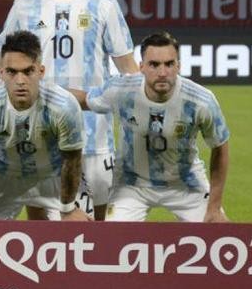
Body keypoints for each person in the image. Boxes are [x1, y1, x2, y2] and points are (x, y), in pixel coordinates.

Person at [0, 0, 137, 220]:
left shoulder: (104, 5)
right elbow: (3, 62)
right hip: (39, 135)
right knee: (42, 225)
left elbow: (129, 72)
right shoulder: (25, 6)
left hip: (95, 135)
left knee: (96, 226)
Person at [72, 31, 230, 222]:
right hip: (131, 185)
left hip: (186, 185)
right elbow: (84, 100)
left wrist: (214, 207)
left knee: (217, 232)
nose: (162, 73)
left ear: (178, 66)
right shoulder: (122, 90)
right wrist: (45, 92)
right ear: (141, 67)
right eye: (154, 65)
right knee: (112, 237)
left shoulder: (200, 100)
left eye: (169, 64)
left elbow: (220, 147)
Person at [0, 31, 88, 220]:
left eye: (28, 71)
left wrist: (68, 208)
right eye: (12, 72)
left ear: (41, 72)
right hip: (3, 175)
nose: (20, 81)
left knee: (82, 230)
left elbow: (72, 160)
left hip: (54, 175)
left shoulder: (64, 106)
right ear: (1, 73)